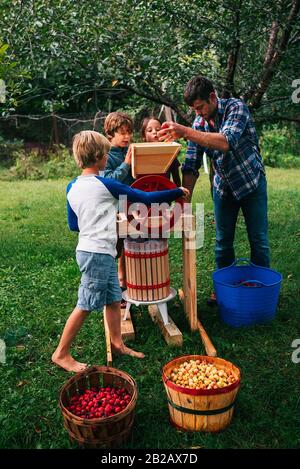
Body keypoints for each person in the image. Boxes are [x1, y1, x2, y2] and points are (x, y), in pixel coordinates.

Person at [52, 130, 189, 372]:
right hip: (97, 253)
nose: (108, 157)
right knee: (85, 303)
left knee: (114, 299)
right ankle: (61, 353)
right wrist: (176, 192)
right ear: (99, 156)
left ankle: (117, 343)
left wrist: (99, 216)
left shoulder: (72, 187)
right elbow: (145, 198)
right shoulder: (106, 184)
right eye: (105, 153)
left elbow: (74, 224)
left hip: (89, 249)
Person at [158, 75, 270, 304]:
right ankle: (224, 290)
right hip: (224, 189)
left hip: (251, 183)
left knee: (258, 240)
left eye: (200, 107)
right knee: (222, 242)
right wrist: (183, 201)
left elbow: (225, 142)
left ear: (212, 97)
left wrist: (186, 131)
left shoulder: (236, 108)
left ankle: (263, 290)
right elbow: (190, 166)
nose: (198, 113)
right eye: (194, 110)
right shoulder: (199, 124)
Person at [103, 112, 134, 305]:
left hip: (132, 207)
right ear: (110, 135)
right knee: (116, 248)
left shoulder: (130, 149)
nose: (127, 136)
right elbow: (108, 181)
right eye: (122, 133)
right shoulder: (106, 155)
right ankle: (115, 288)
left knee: (129, 245)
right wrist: (126, 164)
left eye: (129, 132)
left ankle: (126, 284)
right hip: (115, 210)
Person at [140, 116, 181, 186]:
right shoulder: (139, 154)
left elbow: (176, 177)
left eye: (158, 129)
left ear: (163, 133)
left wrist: (180, 194)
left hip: (166, 192)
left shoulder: (170, 152)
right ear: (144, 136)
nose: (154, 132)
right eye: (150, 130)